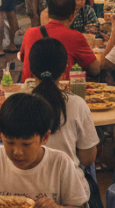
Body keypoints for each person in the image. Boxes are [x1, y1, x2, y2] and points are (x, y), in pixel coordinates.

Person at [30, 38, 99, 167]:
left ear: (31, 70)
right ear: (65, 69)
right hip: (68, 184)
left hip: (25, 184)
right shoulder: (77, 104)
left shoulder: (16, 104)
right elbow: (88, 158)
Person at [21, 0, 99, 81]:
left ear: (48, 14)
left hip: (29, 90)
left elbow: (23, 58)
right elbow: (95, 70)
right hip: (60, 90)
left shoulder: (29, 33)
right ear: (73, 15)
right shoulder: (75, 37)